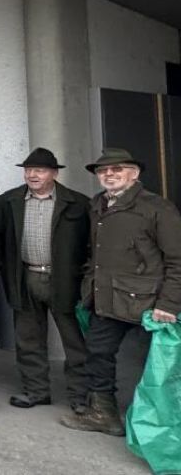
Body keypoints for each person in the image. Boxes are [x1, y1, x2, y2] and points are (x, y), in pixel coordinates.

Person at [60, 148, 181, 436]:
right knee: (99, 353)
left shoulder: (157, 208)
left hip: (151, 301)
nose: (109, 175)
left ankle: (162, 423)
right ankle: (104, 414)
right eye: (103, 171)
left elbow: (177, 259)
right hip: (106, 297)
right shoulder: (97, 204)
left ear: (135, 173)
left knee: (156, 364)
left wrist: (169, 303)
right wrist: (88, 287)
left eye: (117, 169)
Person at [0, 148, 89, 413]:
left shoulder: (78, 203)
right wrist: (4, 268)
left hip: (65, 282)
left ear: (54, 174)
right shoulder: (8, 201)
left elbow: (90, 245)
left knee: (75, 343)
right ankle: (36, 391)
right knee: (28, 340)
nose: (32, 175)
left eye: (40, 170)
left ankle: (80, 397)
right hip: (25, 278)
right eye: (28, 170)